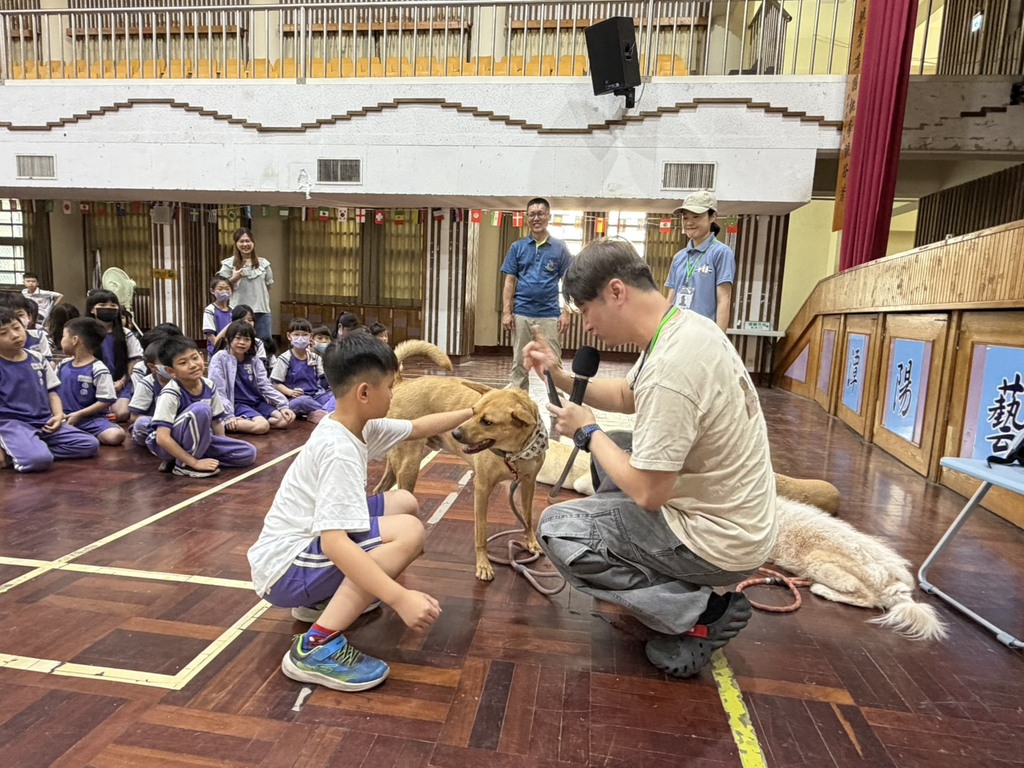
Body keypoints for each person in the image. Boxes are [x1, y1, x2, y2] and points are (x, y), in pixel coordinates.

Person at [523, 238, 775, 679]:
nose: (587, 326)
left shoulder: (673, 367)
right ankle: (663, 576)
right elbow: (627, 395)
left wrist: (588, 431)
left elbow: (648, 492)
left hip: (718, 542)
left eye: (587, 311)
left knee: (559, 528)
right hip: (735, 520)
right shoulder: (683, 327)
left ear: (616, 291)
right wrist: (559, 375)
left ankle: (699, 614)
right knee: (619, 443)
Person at [247, 333, 476, 692]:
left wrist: (476, 411)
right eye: (391, 386)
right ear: (365, 393)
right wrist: (400, 598)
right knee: (410, 532)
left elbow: (419, 427)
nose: (395, 394)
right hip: (285, 571)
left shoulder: (356, 425)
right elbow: (335, 544)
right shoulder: (339, 451)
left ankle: (322, 601)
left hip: (298, 553)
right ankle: (314, 646)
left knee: (404, 502)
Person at [0, 308, 99, 472]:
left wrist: (58, 416)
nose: (15, 335)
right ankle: (27, 451)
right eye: (3, 333)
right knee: (37, 461)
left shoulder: (37, 357)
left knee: (89, 444)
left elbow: (52, 392)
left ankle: (21, 451)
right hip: (12, 424)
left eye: (16, 328)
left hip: (43, 421)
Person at [147, 335, 257, 478]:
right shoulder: (171, 393)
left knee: (248, 452)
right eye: (183, 363)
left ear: (201, 356)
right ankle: (184, 465)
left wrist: (222, 444)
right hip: (169, 445)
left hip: (202, 441)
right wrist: (194, 463)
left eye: (195, 358)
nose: (192, 365)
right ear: (171, 371)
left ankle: (184, 460)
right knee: (201, 409)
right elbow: (162, 438)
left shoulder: (209, 385)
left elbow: (217, 423)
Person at [500, 197, 572, 390]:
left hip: (549, 315)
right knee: (519, 363)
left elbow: (569, 282)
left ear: (548, 216)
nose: (536, 218)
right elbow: (509, 281)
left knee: (552, 364)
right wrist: (506, 312)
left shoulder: (560, 247)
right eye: (532, 214)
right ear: (526, 218)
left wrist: (566, 312)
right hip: (522, 313)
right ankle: (518, 402)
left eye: (540, 214)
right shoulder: (517, 247)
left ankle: (557, 404)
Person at [665, 191, 735, 332]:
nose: (689, 223)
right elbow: (671, 298)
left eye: (696, 216)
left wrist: (719, 339)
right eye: (685, 218)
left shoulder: (721, 252)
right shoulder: (679, 257)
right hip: (676, 331)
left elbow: (724, 299)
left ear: (712, 217)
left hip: (703, 334)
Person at [209, 320, 295, 435]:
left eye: (247, 339)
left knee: (284, 420)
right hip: (236, 405)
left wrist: (283, 405)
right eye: (238, 338)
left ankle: (251, 421)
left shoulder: (254, 360)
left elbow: (265, 385)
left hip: (256, 402)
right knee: (262, 426)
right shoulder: (219, 358)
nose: (242, 342)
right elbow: (218, 391)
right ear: (227, 339)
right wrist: (228, 415)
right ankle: (225, 423)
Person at [56, 317, 126, 446]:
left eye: (63, 336)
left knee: (116, 435)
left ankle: (77, 435)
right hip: (63, 417)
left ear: (75, 340)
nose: (61, 340)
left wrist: (79, 414)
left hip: (91, 419)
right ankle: (79, 435)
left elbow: (106, 400)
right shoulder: (62, 365)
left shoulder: (98, 369)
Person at [86, 289, 143, 423]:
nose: (108, 308)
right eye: (102, 305)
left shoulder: (126, 334)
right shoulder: (85, 333)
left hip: (120, 382)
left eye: (113, 306)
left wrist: (122, 382)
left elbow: (134, 360)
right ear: (92, 309)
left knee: (122, 413)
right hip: (92, 383)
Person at [270, 318, 334, 423]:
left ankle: (316, 413)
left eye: (304, 335)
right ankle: (326, 413)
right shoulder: (285, 358)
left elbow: (324, 379)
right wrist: (290, 392)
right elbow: (275, 384)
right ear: (289, 336)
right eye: (296, 334)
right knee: (302, 402)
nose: (301, 338)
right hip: (295, 398)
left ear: (310, 337)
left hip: (316, 396)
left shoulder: (315, 358)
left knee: (335, 395)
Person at [218, 227, 275, 340]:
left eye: (248, 241)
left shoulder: (264, 263)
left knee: (265, 343)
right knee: (240, 342)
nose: (245, 244)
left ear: (253, 242)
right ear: (236, 244)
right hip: (239, 313)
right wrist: (234, 278)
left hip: (262, 311)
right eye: (241, 241)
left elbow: (268, 286)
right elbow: (221, 287)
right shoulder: (228, 264)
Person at [128, 328, 179, 447]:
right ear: (153, 367)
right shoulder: (147, 384)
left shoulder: (183, 380)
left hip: (177, 423)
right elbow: (134, 417)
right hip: (154, 424)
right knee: (141, 424)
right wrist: (161, 424)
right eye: (166, 363)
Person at [202, 276, 235, 357]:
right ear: (212, 291)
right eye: (220, 289)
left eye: (227, 289)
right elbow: (210, 334)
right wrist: (219, 348)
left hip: (232, 352)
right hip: (216, 352)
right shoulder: (210, 310)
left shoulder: (233, 310)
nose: (224, 291)